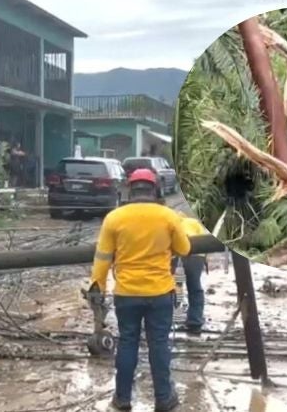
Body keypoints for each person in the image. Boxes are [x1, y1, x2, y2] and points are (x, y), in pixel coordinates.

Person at [89, 168, 190, 411]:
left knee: (127, 344)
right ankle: (164, 399)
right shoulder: (168, 216)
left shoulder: (114, 218)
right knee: (159, 345)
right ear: (155, 189)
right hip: (160, 294)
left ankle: (123, 399)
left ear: (130, 190)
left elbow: (102, 257)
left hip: (127, 294)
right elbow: (184, 249)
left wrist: (97, 287)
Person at [170, 213, 208, 335]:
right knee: (195, 288)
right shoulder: (193, 222)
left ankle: (170, 318)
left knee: (175, 286)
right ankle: (195, 322)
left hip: (177, 254)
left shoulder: (170, 221)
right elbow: (205, 241)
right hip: (197, 256)